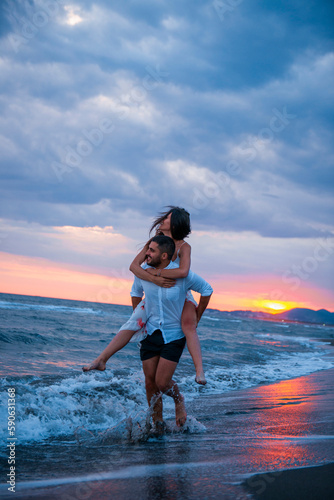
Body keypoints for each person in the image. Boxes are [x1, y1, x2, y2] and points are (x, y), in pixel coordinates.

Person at [85, 235, 213, 429]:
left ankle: (179, 400)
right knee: (150, 382)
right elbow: (136, 292)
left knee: (162, 383)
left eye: (151, 250)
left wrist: (197, 315)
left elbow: (207, 289)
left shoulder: (182, 276)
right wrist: (139, 318)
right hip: (151, 331)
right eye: (148, 249)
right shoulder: (143, 271)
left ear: (163, 255)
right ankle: (158, 423)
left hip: (173, 335)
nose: (146, 253)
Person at [83, 207, 207, 385]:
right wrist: (153, 278)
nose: (162, 219)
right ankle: (101, 359)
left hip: (179, 294)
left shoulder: (184, 247)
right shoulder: (154, 242)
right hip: (156, 294)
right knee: (133, 322)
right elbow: (134, 266)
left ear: (176, 224)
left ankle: (200, 371)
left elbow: (183, 271)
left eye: (167, 218)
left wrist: (157, 273)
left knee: (189, 325)